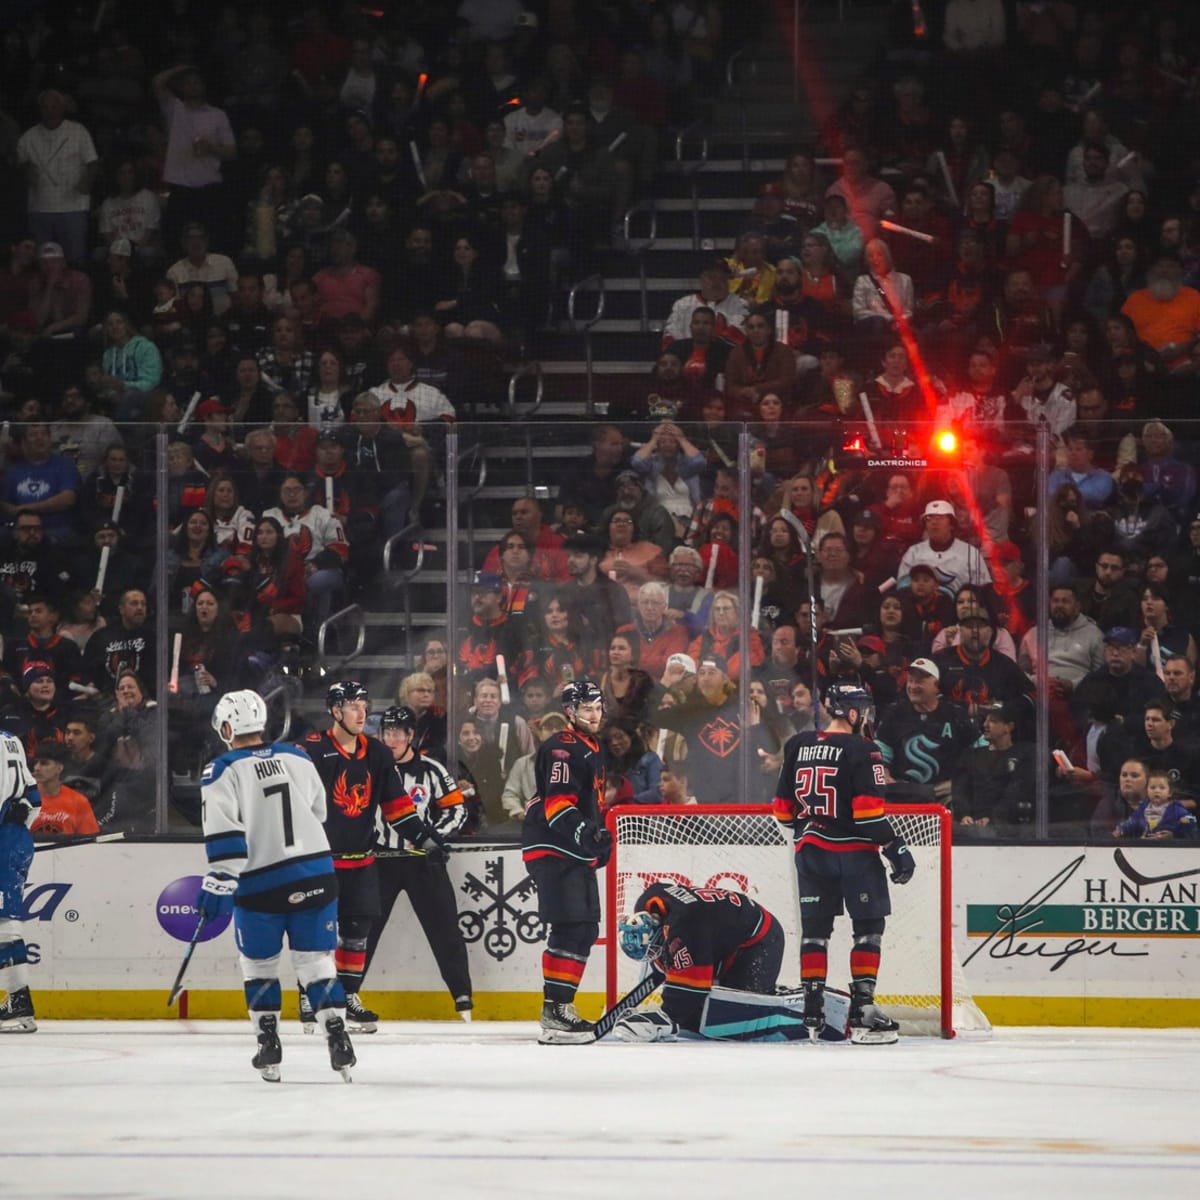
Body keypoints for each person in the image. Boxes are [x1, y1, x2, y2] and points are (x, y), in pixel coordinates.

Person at [195, 689, 355, 1081]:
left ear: (228, 727)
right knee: (316, 962)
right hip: (317, 875)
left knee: (259, 965)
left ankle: (268, 1044)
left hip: (260, 884)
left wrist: (218, 883)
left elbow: (226, 837)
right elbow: (319, 810)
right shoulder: (298, 756)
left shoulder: (221, 770)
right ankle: (336, 1032)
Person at [771, 682, 915, 1043]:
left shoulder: (797, 744)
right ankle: (863, 1009)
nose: (866, 717)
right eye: (863, 710)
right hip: (854, 857)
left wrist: (813, 825)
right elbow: (868, 816)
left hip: (809, 853)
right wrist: (896, 847)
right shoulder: (864, 750)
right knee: (868, 928)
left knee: (815, 933)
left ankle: (812, 1010)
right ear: (852, 713)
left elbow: (782, 813)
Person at [299, 681, 443, 1034]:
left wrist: (425, 838)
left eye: (364, 705)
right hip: (320, 861)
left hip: (361, 860)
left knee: (356, 931)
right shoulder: (311, 750)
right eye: (352, 706)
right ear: (335, 711)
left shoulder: (377, 753)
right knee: (318, 933)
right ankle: (310, 994)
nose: (361, 713)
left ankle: (347, 996)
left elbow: (396, 806)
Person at [363, 705, 472, 1019]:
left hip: (423, 864)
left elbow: (457, 809)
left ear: (411, 735)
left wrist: (434, 838)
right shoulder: (371, 768)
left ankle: (462, 998)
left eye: (398, 733)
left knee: (446, 930)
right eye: (387, 732)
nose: (392, 738)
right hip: (380, 862)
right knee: (363, 931)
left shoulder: (431, 770)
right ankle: (347, 996)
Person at [615, 882, 826, 1042]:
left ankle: (801, 1007)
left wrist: (666, 1019)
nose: (655, 957)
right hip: (720, 937)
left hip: (759, 940)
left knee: (734, 1017)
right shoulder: (650, 904)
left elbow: (691, 992)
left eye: (655, 950)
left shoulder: (687, 926)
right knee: (700, 1017)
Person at [521, 680, 611, 1044]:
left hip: (572, 850)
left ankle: (561, 1006)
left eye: (598, 706)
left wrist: (593, 843)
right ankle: (554, 1010)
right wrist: (587, 835)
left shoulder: (590, 746)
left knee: (586, 928)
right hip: (553, 848)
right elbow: (557, 806)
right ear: (571, 712)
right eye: (587, 708)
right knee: (570, 927)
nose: (594, 713)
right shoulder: (562, 747)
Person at [0, 726, 38, 1031]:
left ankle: (18, 1005)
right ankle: (17, 1002)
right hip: (15, 840)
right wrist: (18, 818)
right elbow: (34, 800)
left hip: (2, 843)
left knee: (3, 926)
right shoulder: (12, 739)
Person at [27, 742, 98, 836]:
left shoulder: (79, 802)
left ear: (59, 768)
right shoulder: (25, 798)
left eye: (44, 763)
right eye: (36, 763)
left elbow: (89, 841)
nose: (36, 768)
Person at [1113, 769, 1196, 840]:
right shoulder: (1142, 809)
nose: (1157, 791)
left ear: (1170, 792)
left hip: (1169, 849)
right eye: (1152, 787)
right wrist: (1121, 829)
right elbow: (1132, 822)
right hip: (1145, 848)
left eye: (1162, 788)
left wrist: (1186, 823)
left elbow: (1192, 821)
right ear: (1146, 791)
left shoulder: (1176, 809)